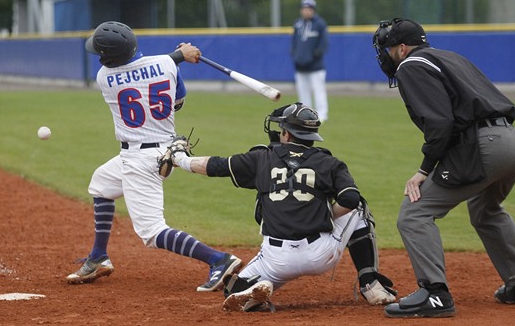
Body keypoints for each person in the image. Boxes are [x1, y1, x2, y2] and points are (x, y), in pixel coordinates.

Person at [372, 18, 515, 318]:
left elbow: (440, 123)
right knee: (485, 210)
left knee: (415, 213)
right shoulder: (450, 56)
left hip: (485, 145)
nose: (385, 55)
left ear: (401, 48)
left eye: (387, 49)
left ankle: (435, 294)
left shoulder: (411, 65)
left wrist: (424, 170)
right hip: (514, 142)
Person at [163, 102, 397, 312]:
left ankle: (256, 290)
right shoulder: (329, 163)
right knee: (359, 207)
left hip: (277, 259)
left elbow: (215, 166)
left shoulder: (261, 158)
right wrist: (325, 217)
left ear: (285, 133)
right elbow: (350, 199)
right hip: (321, 255)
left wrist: (180, 158)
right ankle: (370, 282)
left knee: (232, 292)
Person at [65, 21, 243, 292]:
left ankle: (219, 259)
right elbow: (179, 101)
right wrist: (181, 56)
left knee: (151, 231)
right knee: (101, 184)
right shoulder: (167, 65)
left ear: (109, 56)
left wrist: (178, 56)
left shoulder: (105, 77)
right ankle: (99, 257)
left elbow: (142, 70)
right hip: (164, 150)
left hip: (141, 160)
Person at [291, 0, 329, 121]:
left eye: (309, 9)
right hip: (300, 65)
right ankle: (304, 115)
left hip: (315, 66)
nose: (306, 11)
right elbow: (294, 43)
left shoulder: (319, 24)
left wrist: (315, 55)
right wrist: (295, 55)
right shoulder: (298, 24)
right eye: (304, 9)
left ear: (313, 10)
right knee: (303, 93)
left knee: (319, 92)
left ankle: (322, 115)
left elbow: (323, 44)